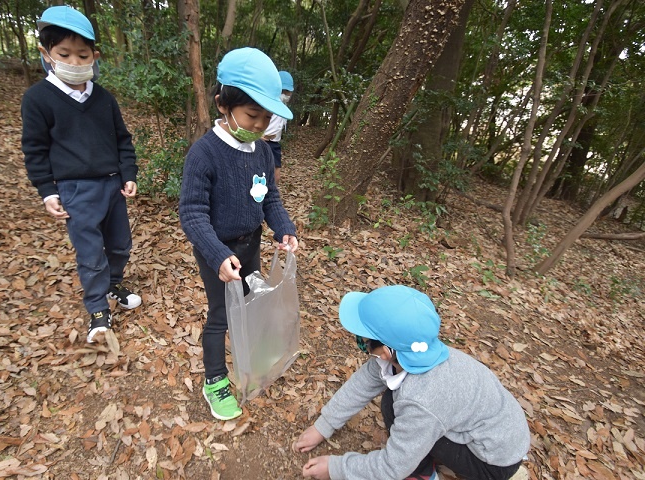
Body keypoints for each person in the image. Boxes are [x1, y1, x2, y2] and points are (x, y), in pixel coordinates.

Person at [294, 285, 530, 480]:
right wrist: (322, 426)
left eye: (362, 340)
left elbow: (393, 467)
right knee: (392, 401)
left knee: (399, 409)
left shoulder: (421, 399)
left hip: (492, 461)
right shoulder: (413, 353)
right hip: (495, 431)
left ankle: (424, 474)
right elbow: (363, 383)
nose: (361, 344)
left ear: (386, 350)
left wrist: (336, 468)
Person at [179, 47, 299, 421]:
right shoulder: (204, 154)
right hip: (217, 251)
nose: (260, 125)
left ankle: (251, 356)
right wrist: (217, 256)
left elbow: (270, 199)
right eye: (252, 115)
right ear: (223, 105)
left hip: (251, 244)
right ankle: (214, 379)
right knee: (221, 315)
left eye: (266, 118)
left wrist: (284, 228)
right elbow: (192, 213)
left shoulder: (261, 152)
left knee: (250, 303)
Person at [21, 6, 141, 344]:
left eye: (82, 54)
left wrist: (128, 173)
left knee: (119, 244)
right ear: (46, 54)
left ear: (94, 56)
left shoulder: (104, 99)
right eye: (64, 54)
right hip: (76, 190)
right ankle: (97, 308)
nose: (74, 62)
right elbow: (35, 150)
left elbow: (122, 140)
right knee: (90, 253)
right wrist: (48, 191)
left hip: (113, 186)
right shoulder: (38, 99)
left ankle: (114, 282)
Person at [263, 70, 294, 184]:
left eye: (287, 92)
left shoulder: (284, 106)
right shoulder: (267, 103)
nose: (285, 94)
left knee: (276, 177)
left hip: (274, 144)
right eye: (282, 91)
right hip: (263, 141)